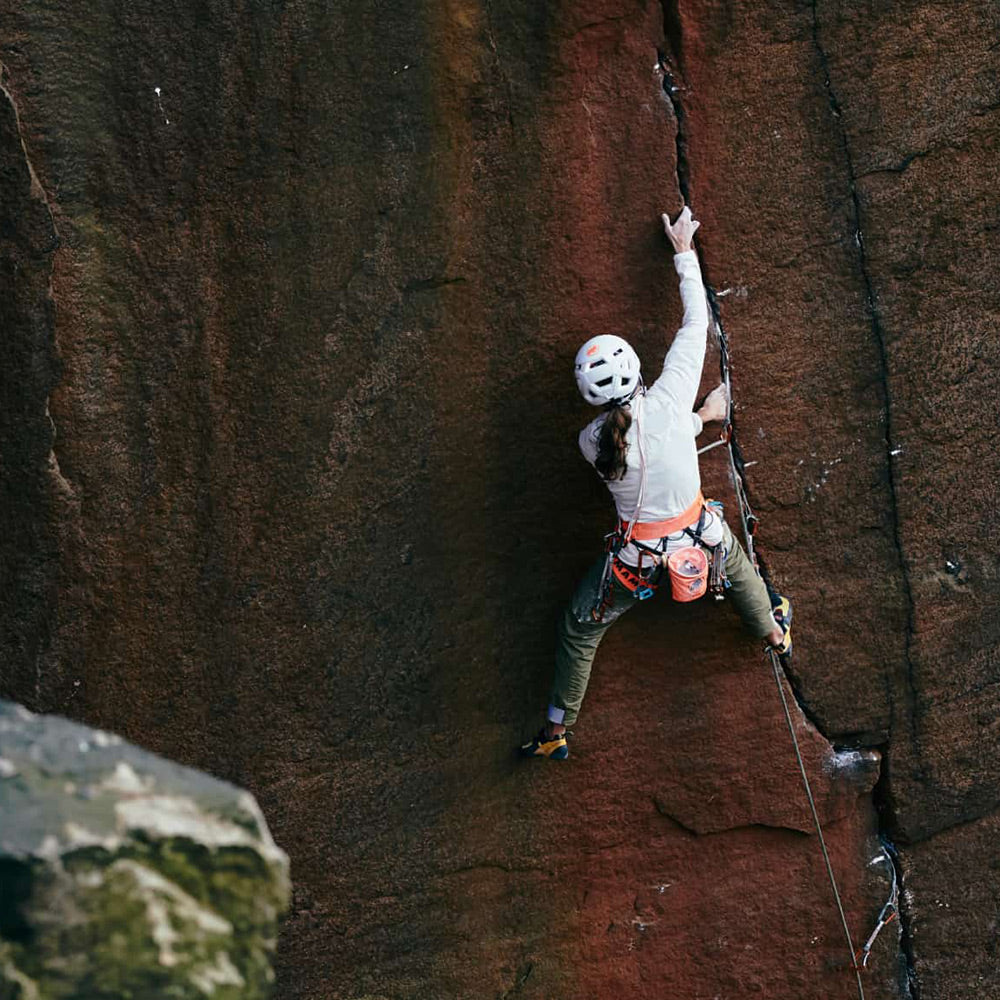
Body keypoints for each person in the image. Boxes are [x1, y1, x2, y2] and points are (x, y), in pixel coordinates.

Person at [520, 206, 791, 761]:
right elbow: (695, 326)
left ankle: (555, 732)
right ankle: (773, 631)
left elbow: (638, 443)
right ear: (636, 367)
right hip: (699, 541)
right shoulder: (668, 400)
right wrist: (683, 251)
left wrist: (698, 419)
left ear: (588, 395)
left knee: (579, 629)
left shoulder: (591, 442)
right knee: (732, 558)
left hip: (635, 562)